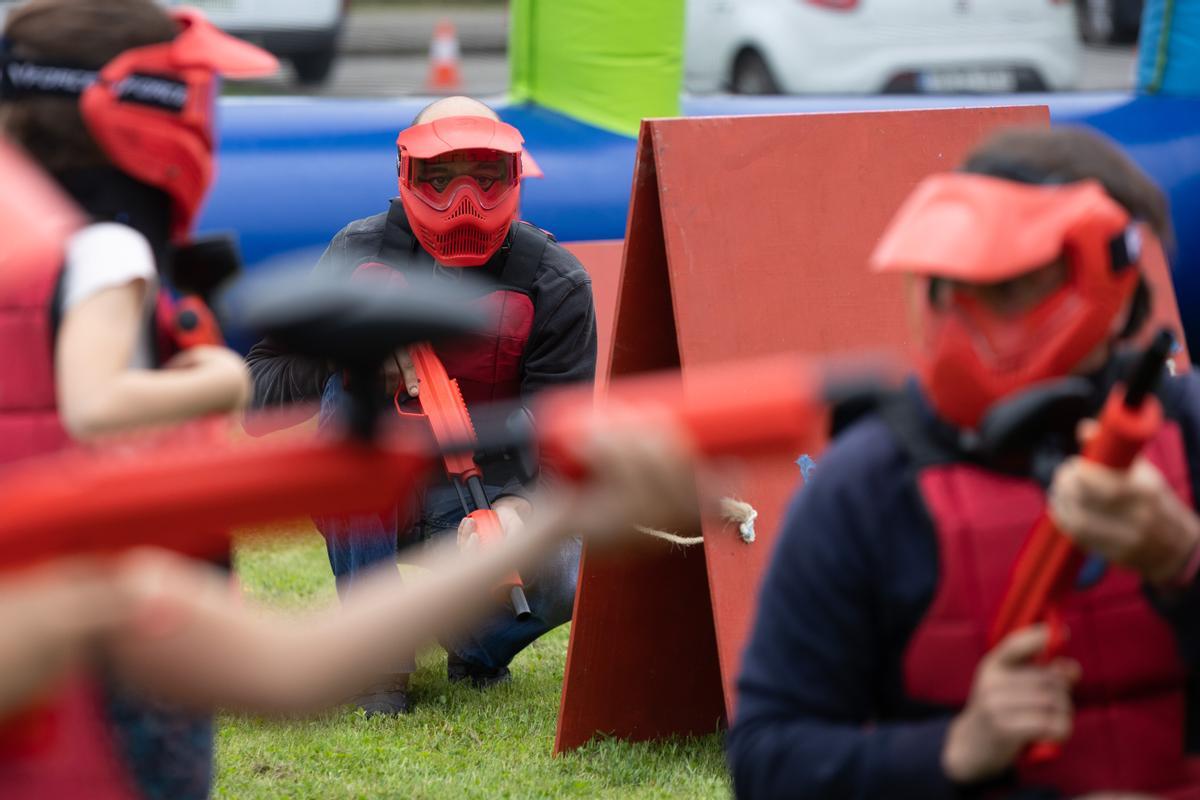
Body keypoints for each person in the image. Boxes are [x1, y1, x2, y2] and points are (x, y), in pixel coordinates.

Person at [728, 127, 1200, 799]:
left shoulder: (1187, 430)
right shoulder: (865, 488)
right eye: (954, 285)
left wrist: (1185, 560)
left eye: (1012, 285)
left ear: (1108, 280)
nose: (968, 317)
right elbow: (766, 758)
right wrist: (951, 748)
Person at [0, 1, 275, 795]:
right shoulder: (107, 247)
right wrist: (224, 378)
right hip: (111, 588)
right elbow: (94, 404)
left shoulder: (23, 244)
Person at [246, 95, 598, 714]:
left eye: (484, 177)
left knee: (570, 571)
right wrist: (357, 359)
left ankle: (473, 643)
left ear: (514, 176)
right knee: (345, 395)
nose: (465, 201)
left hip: (487, 494)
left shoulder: (555, 282)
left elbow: (563, 436)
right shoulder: (358, 253)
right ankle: (377, 658)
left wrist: (517, 509)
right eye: (442, 177)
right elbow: (259, 387)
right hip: (372, 491)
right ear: (407, 174)